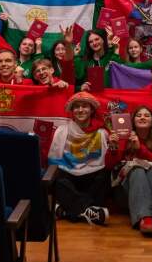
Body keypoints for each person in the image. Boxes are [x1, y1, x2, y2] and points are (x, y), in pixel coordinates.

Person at [48, 92, 115, 226]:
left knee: (105, 176)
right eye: (76, 107)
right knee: (57, 178)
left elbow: (109, 163)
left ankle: (65, 211)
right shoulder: (61, 131)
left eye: (84, 106)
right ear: (72, 111)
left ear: (91, 110)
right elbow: (54, 160)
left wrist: (113, 146)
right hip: (69, 176)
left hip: (91, 177)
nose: (80, 110)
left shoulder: (102, 132)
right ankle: (90, 211)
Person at [112, 105, 152, 239]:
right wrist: (114, 147)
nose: (142, 118)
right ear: (133, 120)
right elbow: (112, 165)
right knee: (137, 170)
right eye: (139, 115)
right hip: (127, 192)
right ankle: (144, 217)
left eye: (146, 115)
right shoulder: (123, 136)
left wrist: (140, 148)